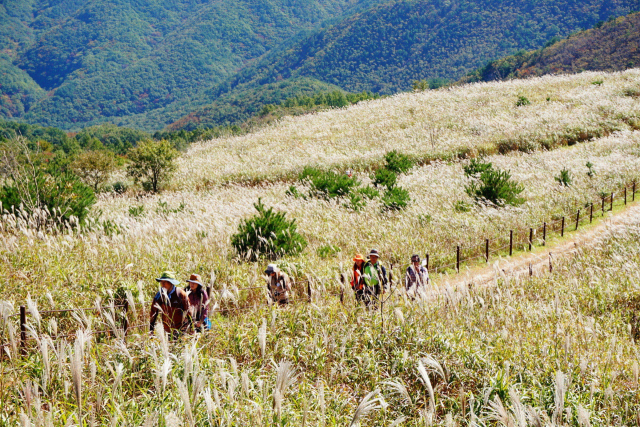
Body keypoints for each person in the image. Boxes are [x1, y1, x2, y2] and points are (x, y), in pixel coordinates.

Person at [149, 271, 191, 335]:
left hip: (181, 329)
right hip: (167, 330)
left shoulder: (180, 294)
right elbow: (153, 312)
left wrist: (192, 329)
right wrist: (151, 330)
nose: (162, 284)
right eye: (161, 282)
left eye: (165, 282)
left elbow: (189, 312)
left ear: (171, 283)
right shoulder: (159, 295)